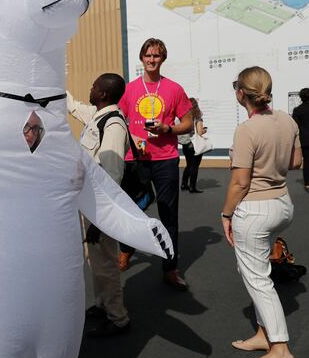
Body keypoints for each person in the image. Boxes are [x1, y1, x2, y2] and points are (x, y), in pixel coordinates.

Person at [222, 67, 301, 358]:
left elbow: (240, 183)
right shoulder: (287, 119)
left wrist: (225, 214)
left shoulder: (247, 130)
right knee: (256, 270)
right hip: (282, 205)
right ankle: (263, 334)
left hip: (255, 211)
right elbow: (295, 162)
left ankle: (280, 349)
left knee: (257, 278)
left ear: (241, 94)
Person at [117, 38, 194, 289]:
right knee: (130, 209)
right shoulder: (129, 90)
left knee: (168, 215)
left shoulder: (174, 89)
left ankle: (170, 268)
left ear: (163, 59)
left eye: (157, 56)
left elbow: (188, 123)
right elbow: (118, 118)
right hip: (136, 159)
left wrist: (168, 128)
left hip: (166, 159)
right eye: (148, 56)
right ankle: (126, 249)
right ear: (142, 58)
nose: (152, 60)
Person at [67, 73, 130, 337]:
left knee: (107, 263)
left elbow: (112, 176)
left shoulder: (113, 125)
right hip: (89, 205)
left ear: (103, 94)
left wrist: (98, 221)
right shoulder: (97, 116)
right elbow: (71, 105)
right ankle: (102, 305)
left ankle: (118, 317)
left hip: (99, 209)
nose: (90, 89)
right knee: (96, 262)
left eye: (94, 87)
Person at [178, 98, 207, 193]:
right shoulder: (197, 117)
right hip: (195, 145)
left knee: (188, 165)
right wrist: (204, 130)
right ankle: (192, 187)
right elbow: (199, 132)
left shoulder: (183, 117)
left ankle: (183, 184)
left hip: (186, 145)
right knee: (195, 166)